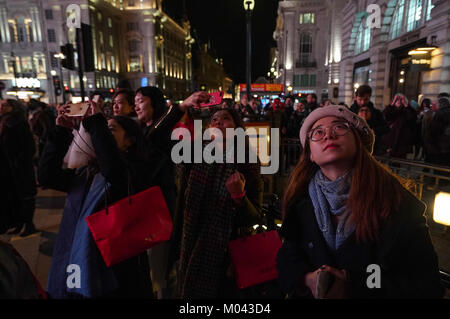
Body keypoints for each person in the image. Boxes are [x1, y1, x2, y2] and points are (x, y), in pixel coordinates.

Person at [276, 104, 444, 299]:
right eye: (318, 132)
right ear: (311, 154)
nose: (328, 135)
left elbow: (424, 282)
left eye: (339, 127)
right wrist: (306, 278)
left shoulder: (396, 202)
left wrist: (354, 284)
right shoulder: (301, 201)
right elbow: (287, 256)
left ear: (359, 140)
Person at [39, 103, 156, 298]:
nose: (100, 134)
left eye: (110, 129)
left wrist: (97, 124)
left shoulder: (134, 170)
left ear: (129, 141)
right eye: (102, 129)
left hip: (117, 270)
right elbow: (46, 177)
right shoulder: (87, 172)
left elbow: (113, 169)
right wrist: (60, 132)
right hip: (80, 260)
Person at [168, 94, 264, 298]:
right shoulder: (191, 154)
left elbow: (255, 216)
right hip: (190, 244)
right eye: (214, 119)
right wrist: (182, 106)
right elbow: (157, 140)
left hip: (227, 256)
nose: (219, 121)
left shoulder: (247, 160)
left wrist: (239, 197)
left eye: (226, 118)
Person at [0, 99, 37, 237]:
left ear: (13, 107)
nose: (1, 108)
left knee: (25, 195)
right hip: (7, 167)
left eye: (4, 105)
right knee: (14, 195)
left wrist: (19, 161)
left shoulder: (18, 123)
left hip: (19, 167)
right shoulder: (3, 122)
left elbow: (28, 147)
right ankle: (18, 223)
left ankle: (29, 224)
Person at [382, 93, 417, 159]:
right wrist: (392, 103)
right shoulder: (391, 109)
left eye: (401, 100)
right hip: (390, 141)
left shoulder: (407, 111)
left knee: (400, 160)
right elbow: (386, 115)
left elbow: (412, 118)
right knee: (390, 161)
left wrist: (406, 105)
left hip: (402, 142)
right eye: (397, 100)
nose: (399, 101)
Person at [425, 96, 450, 166]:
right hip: (447, 147)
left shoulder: (439, 113)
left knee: (439, 166)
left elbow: (434, 130)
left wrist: (429, 142)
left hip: (440, 146)